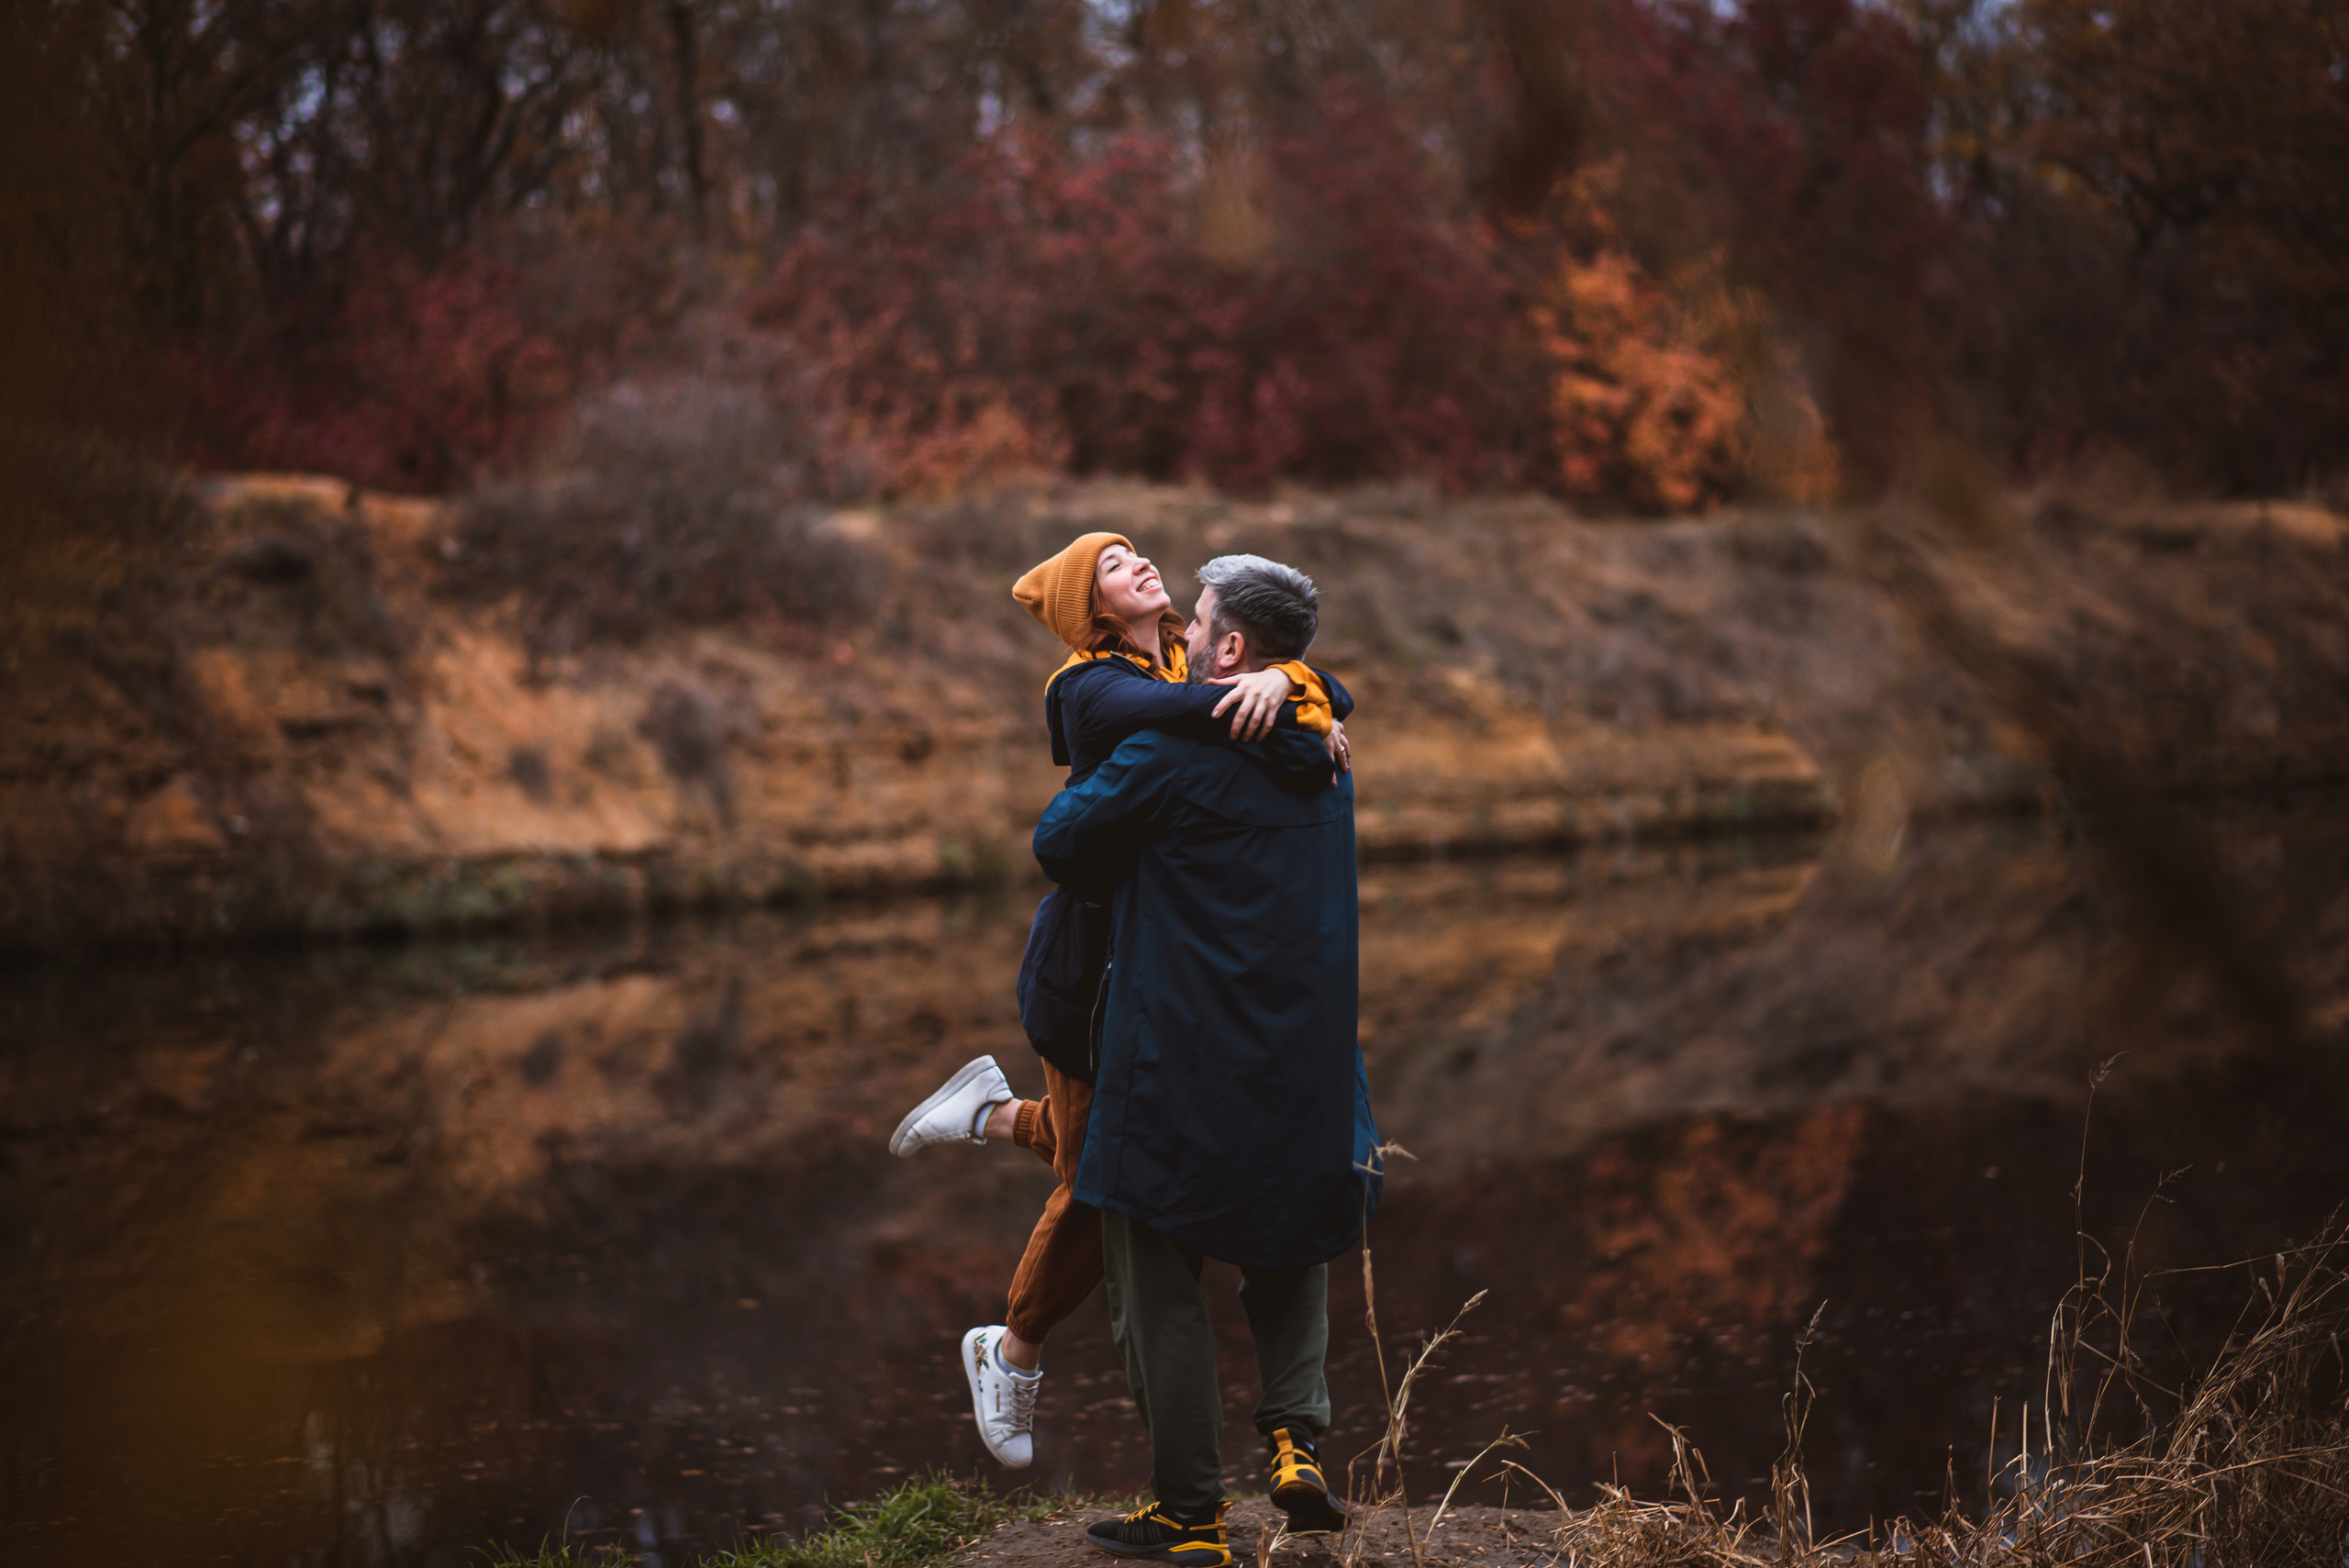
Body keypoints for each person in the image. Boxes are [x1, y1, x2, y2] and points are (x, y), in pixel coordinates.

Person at [885, 533, 1353, 1472]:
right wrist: (1282, 686)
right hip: (1092, 963)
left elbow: (1289, 673)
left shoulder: (1190, 656)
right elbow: (1193, 707)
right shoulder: (1087, 687)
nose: (1140, 563)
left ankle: (990, 1111)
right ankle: (1011, 1347)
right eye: (1112, 564)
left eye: (1139, 551)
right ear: (1088, 607)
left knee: (1123, 1153)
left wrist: (1297, 679)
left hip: (1159, 969)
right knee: (1109, 1179)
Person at [1034, 555, 1379, 1568]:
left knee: (1151, 1266)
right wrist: (1296, 691)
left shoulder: (1168, 753)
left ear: (1230, 649)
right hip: (1307, 1055)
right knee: (1288, 1233)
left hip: (1181, 1055)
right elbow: (1311, 698)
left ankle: (1190, 1514)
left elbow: (1060, 841)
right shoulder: (1322, 752)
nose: (1182, 630)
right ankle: (1292, 1440)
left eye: (1198, 620)